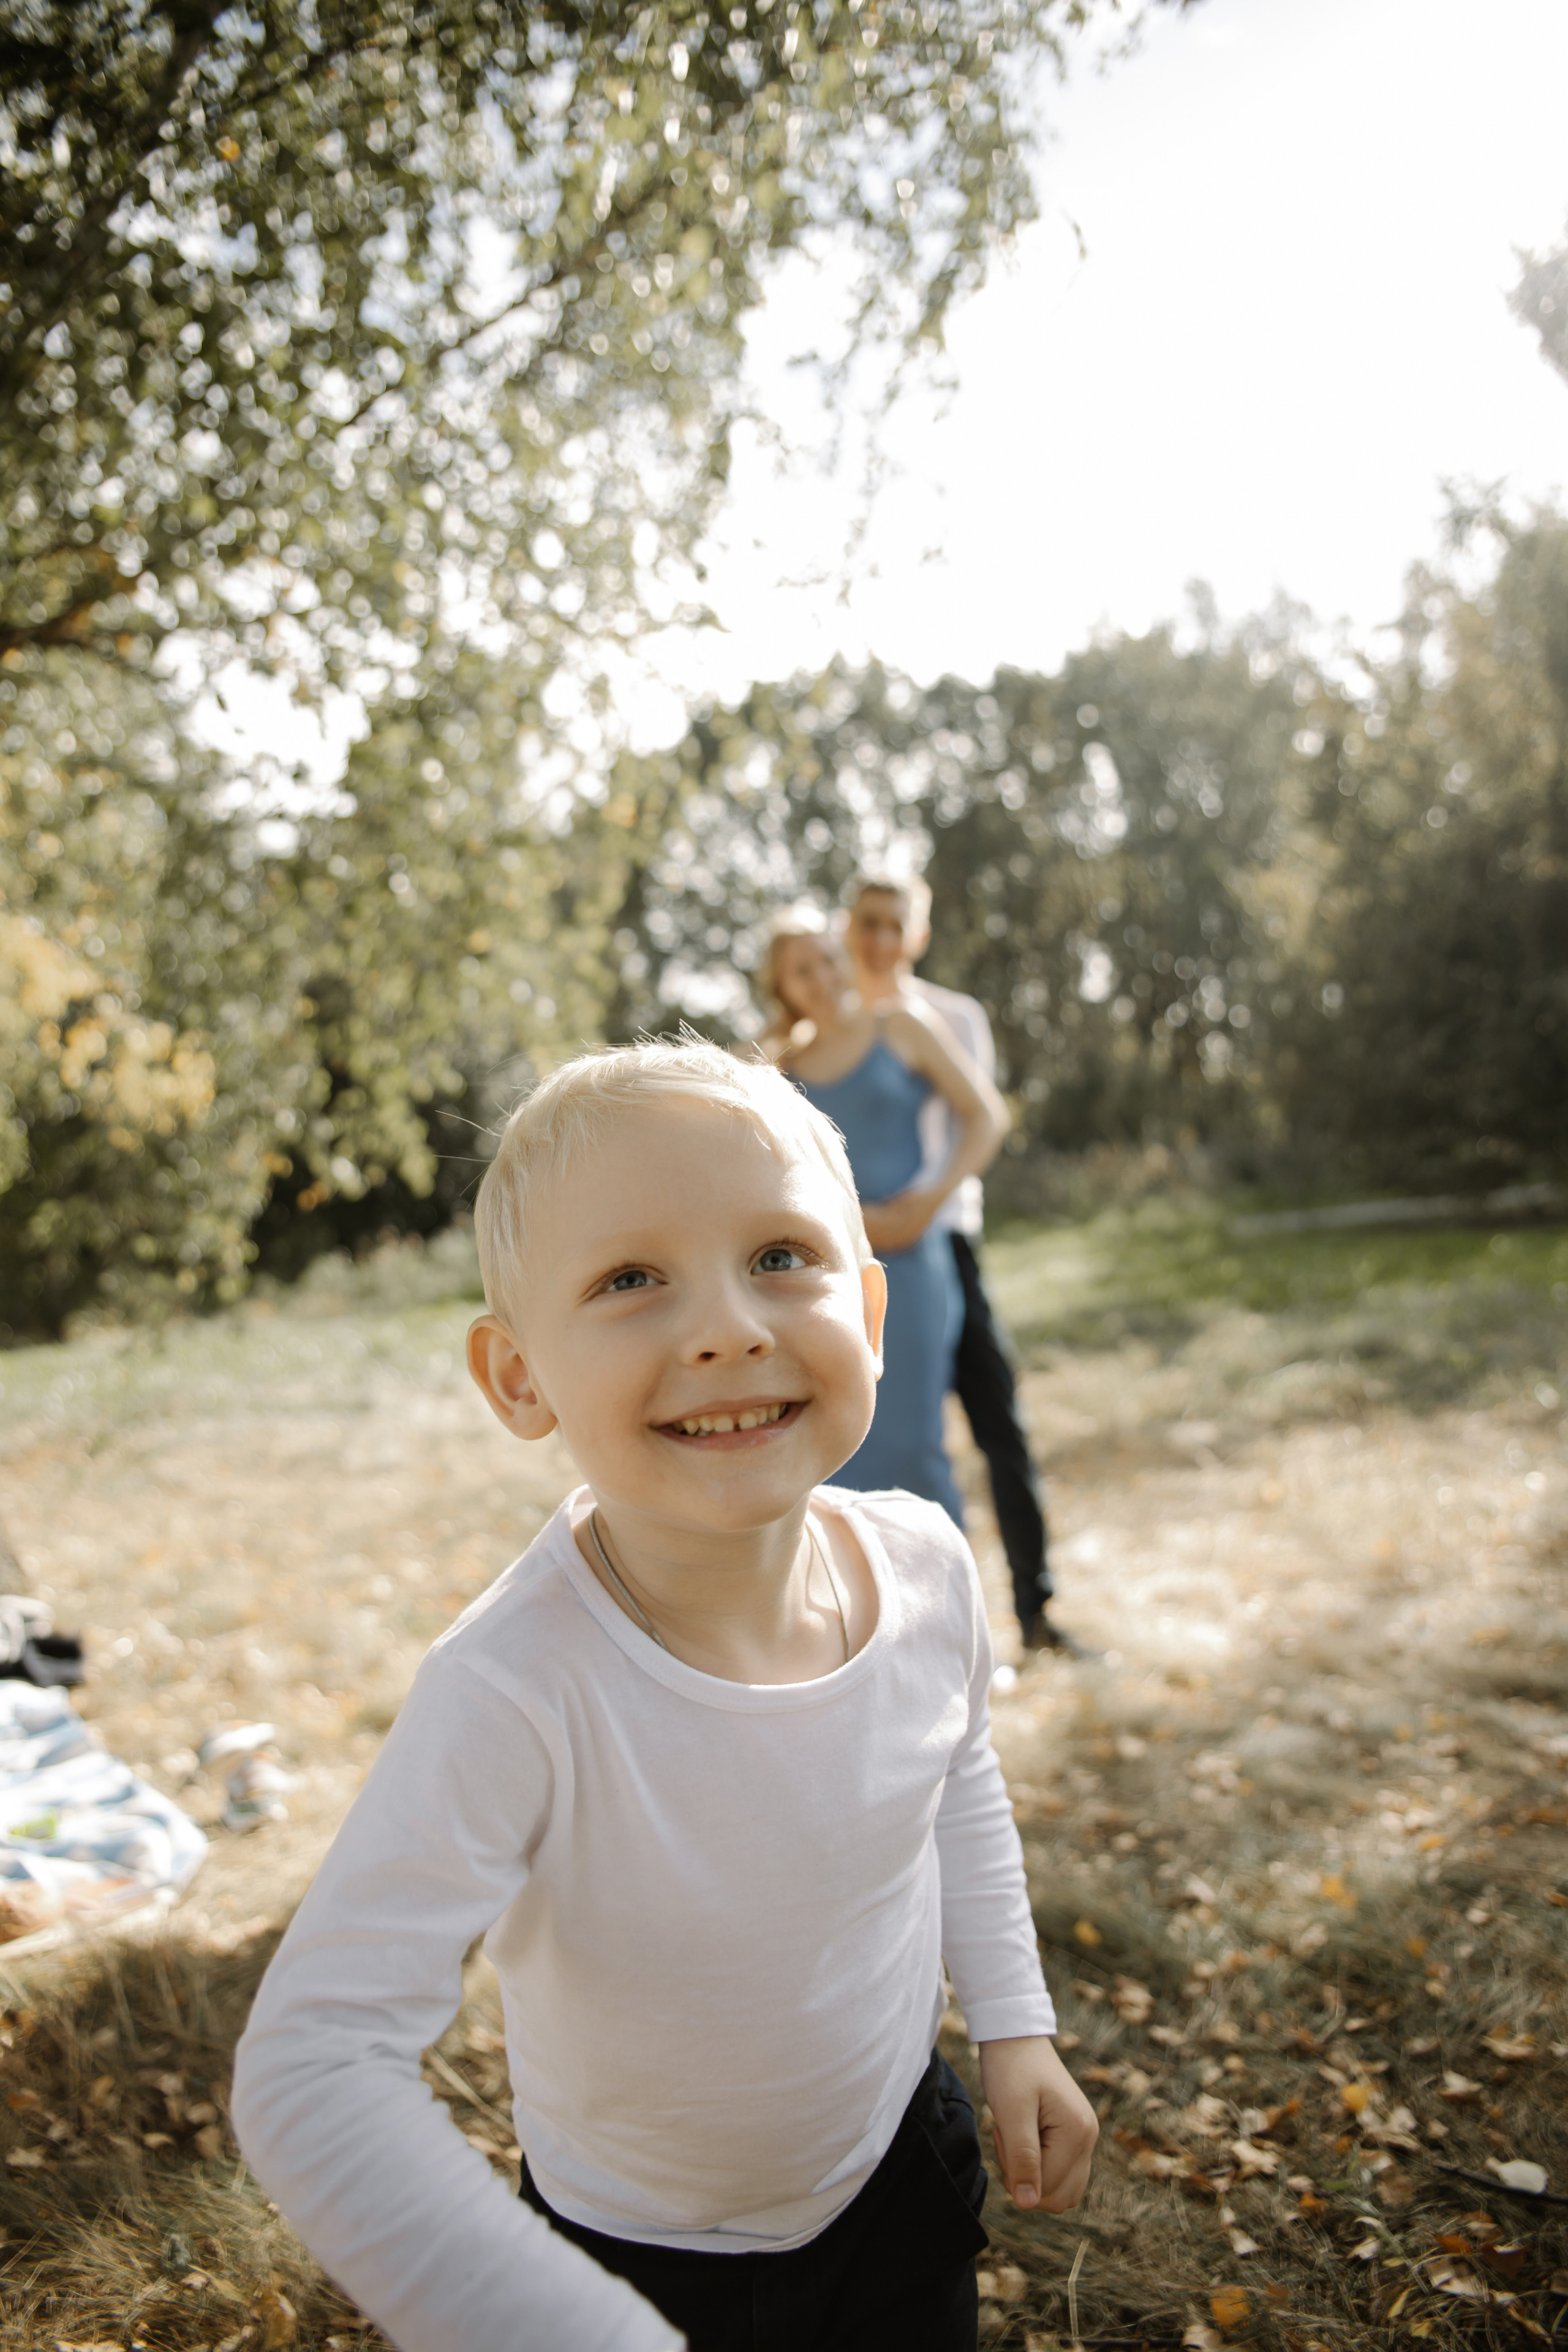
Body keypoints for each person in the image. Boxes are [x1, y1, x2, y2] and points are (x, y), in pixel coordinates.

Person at [232, 1040, 1096, 2352]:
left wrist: (1015, 2025)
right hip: (638, 2253)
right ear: (519, 1378)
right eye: (630, 1279)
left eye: (780, 1256)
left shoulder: (925, 1566)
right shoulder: (515, 1687)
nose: (727, 1328)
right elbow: (314, 2067)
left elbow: (953, 1777)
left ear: (870, 1316)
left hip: (893, 2170)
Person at [844, 876, 1077, 1654]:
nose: (881, 940)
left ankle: (1034, 1612)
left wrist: (922, 1206)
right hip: (859, 1257)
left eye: (895, 925)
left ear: (918, 934)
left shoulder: (954, 1017)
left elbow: (977, 1125)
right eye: (868, 923)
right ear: (848, 928)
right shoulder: (830, 1026)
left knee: (997, 1425)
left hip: (941, 1247)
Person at [759, 910, 1009, 1530]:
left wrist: (930, 1200)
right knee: (835, 1444)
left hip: (910, 1261)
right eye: (801, 971)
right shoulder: (780, 1065)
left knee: (914, 1441)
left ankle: (943, 1584)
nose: (821, 977)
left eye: (827, 958)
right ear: (782, 988)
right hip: (823, 1278)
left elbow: (986, 1117)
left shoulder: (900, 1025)